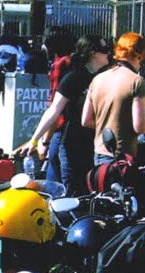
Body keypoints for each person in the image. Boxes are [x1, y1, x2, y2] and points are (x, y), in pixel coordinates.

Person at [16, 35, 112, 195]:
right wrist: (35, 140)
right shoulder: (73, 78)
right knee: (73, 191)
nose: (109, 53)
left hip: (95, 145)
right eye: (104, 49)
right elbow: (54, 110)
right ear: (92, 53)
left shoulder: (103, 78)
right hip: (74, 144)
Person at [82, 32, 145, 165]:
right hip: (122, 157)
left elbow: (86, 120)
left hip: (99, 153)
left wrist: (107, 126)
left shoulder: (97, 79)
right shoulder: (137, 81)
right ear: (139, 56)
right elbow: (139, 127)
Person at [40, 27, 76, 184]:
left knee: (54, 179)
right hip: (77, 126)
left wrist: (44, 140)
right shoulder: (76, 63)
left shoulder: (60, 66)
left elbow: (56, 106)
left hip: (62, 127)